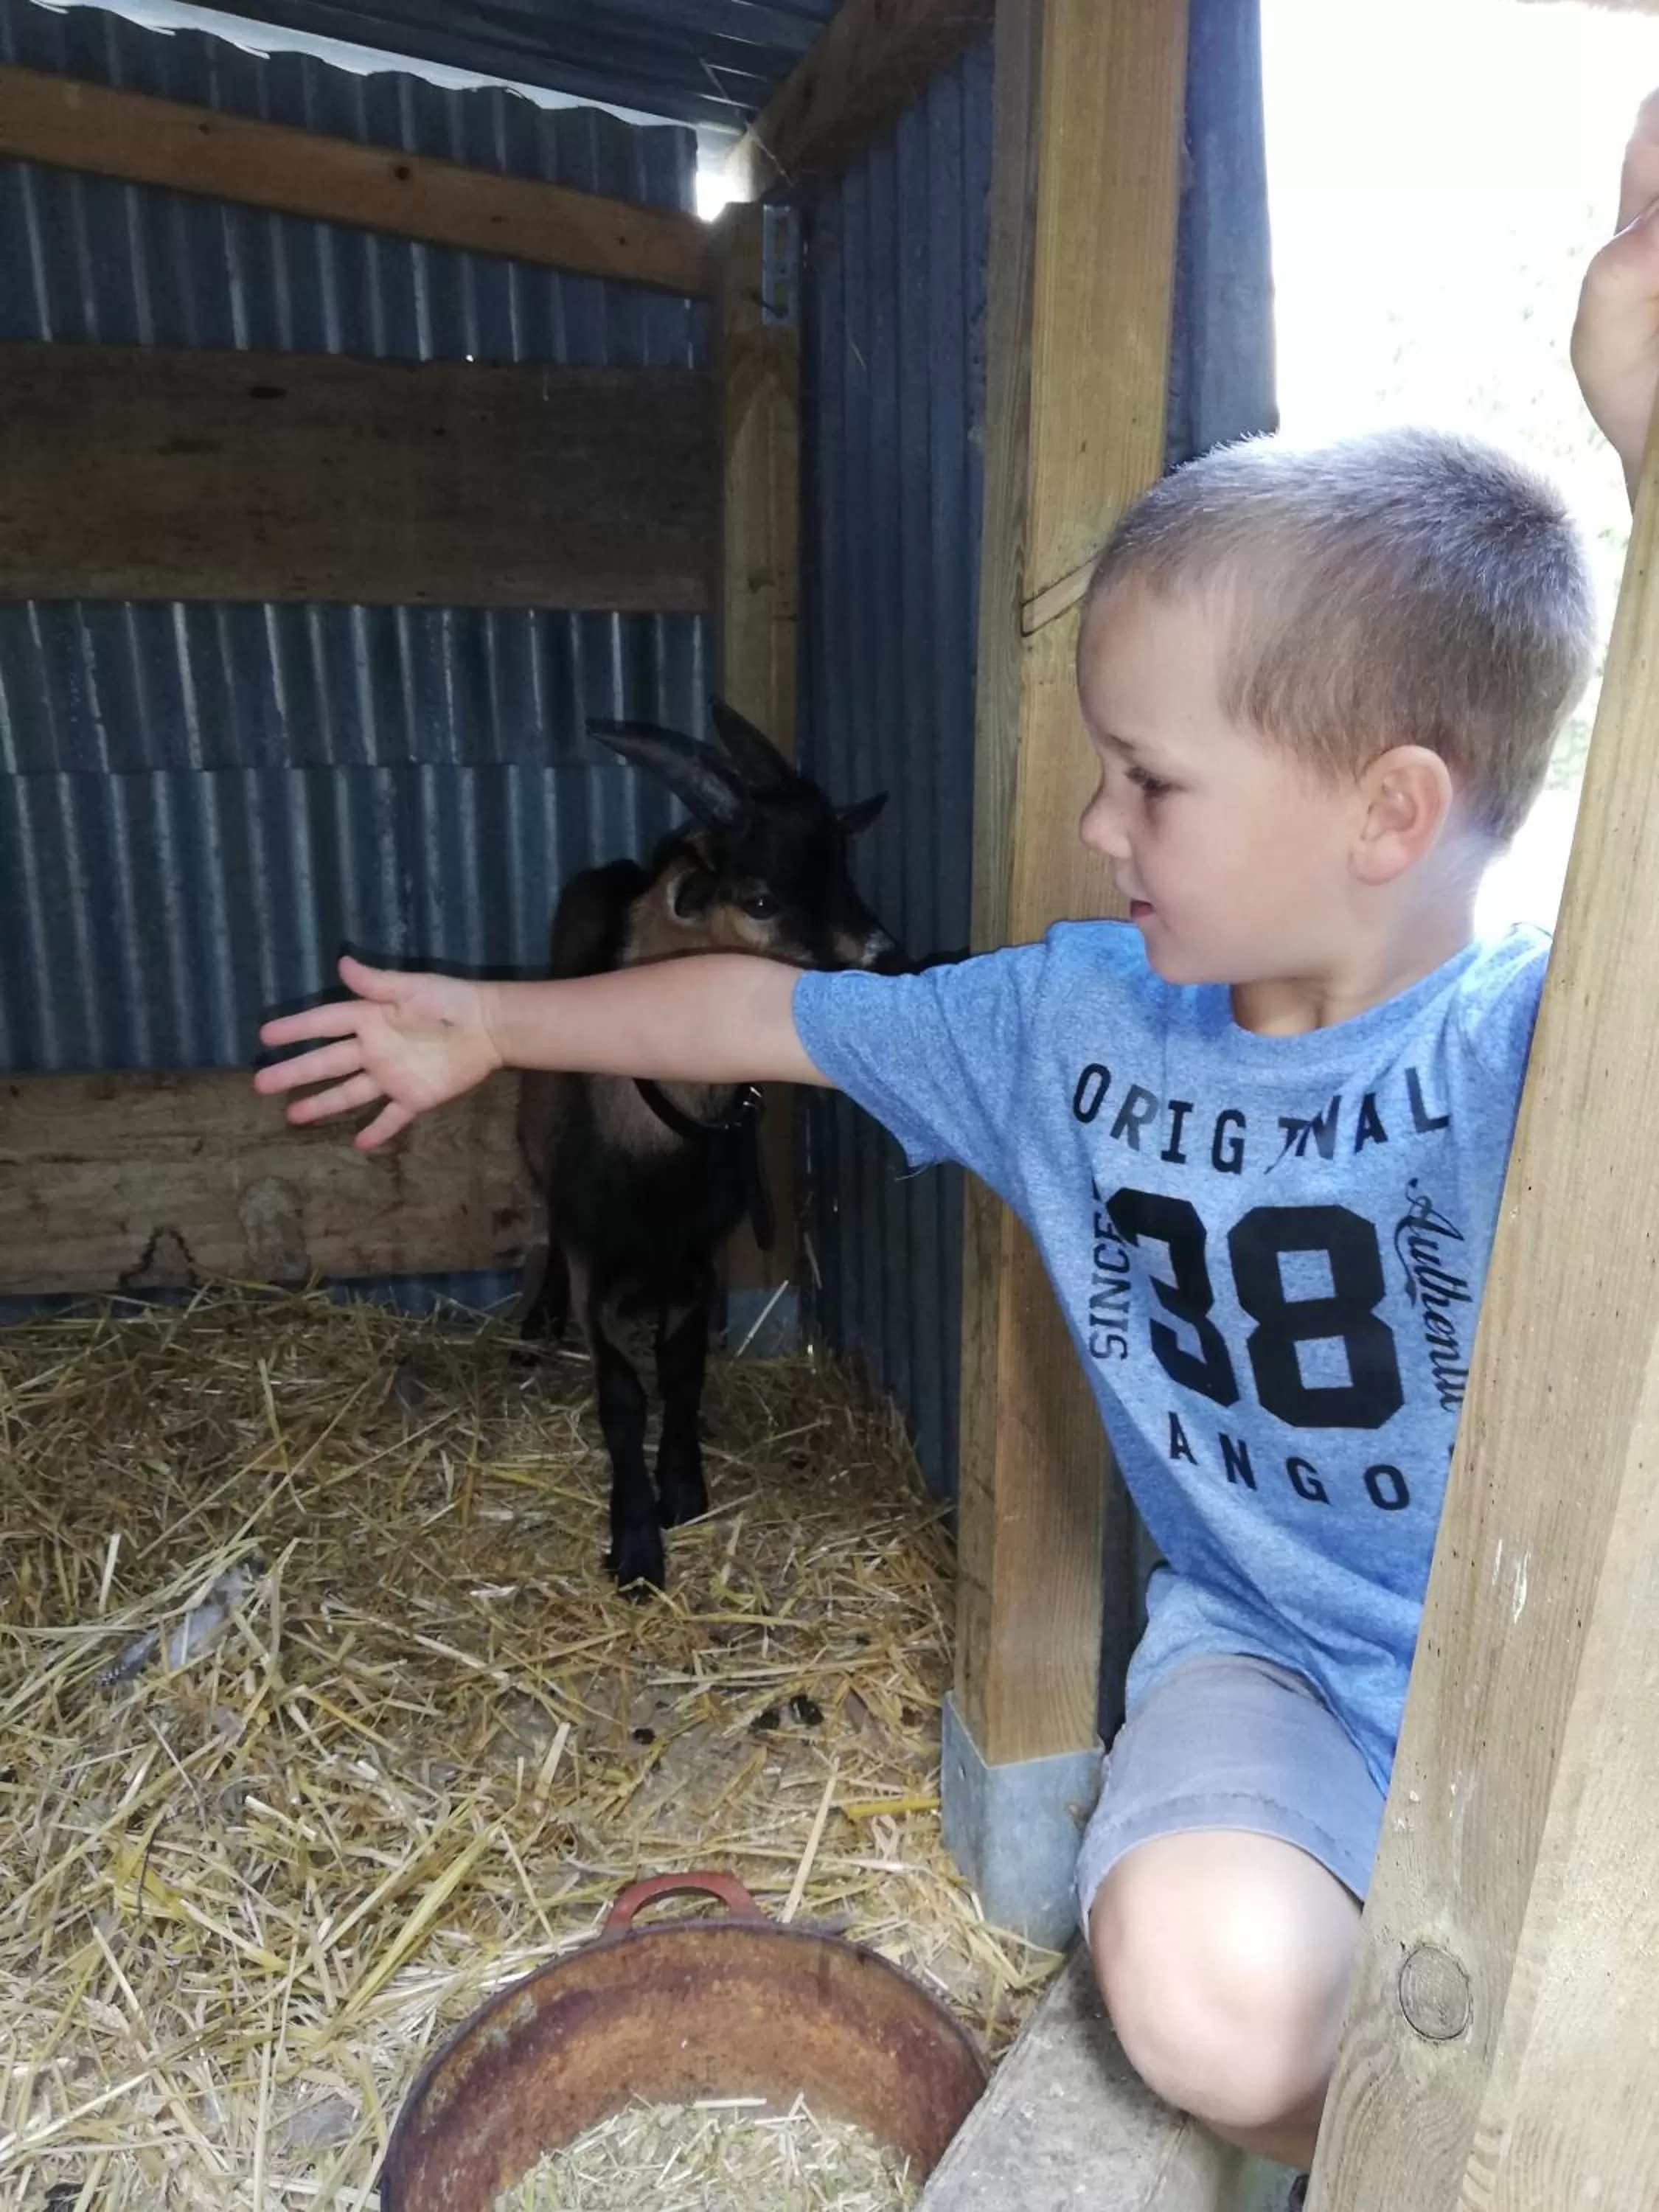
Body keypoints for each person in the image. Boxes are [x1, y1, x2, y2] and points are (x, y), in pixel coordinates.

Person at [254, 92, 1659, 2192]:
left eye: (1150, 785)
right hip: (1273, 1662)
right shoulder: (1074, 1024)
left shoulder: (1550, 1048)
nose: (1095, 830)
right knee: (1195, 1983)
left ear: (1388, 808)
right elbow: (764, 1013)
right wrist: (494, 1019)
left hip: (1558, 1677)